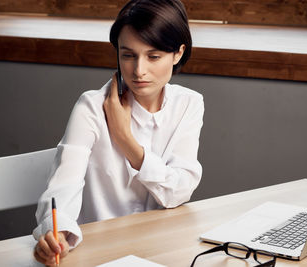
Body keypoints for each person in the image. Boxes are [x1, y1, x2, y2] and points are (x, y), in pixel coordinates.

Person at [33, 0, 204, 265]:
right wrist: (57, 234)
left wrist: (126, 140)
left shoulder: (189, 104)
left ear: (178, 53)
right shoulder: (90, 106)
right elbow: (63, 186)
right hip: (98, 254)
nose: (139, 70)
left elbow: (179, 192)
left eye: (154, 56)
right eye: (128, 55)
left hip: (160, 251)